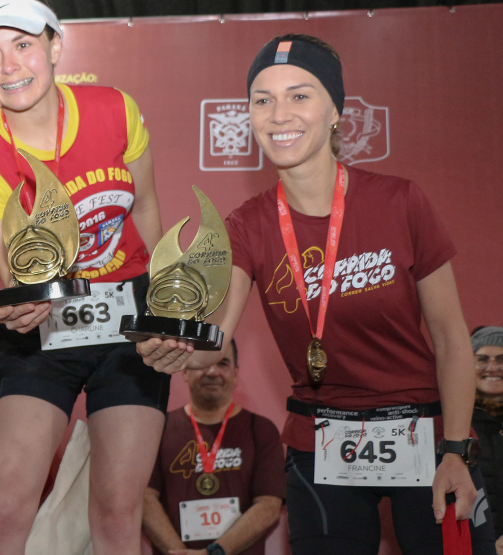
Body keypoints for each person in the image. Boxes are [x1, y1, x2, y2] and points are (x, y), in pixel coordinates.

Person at [137, 34, 495, 554]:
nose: (279, 114)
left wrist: (457, 449)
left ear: (335, 112)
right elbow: (215, 338)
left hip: (427, 436)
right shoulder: (245, 225)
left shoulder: (400, 201)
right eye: (263, 100)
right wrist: (170, 346)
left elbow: (450, 336)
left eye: (300, 95)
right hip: (320, 441)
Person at [0, 1, 170, 552]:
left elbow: (145, 209)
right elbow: (18, 276)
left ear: (55, 47)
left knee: (118, 511)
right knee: (7, 507)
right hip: (45, 327)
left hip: (131, 319)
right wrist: (17, 306)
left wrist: (166, 295)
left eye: (23, 45)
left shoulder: (116, 110)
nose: (8, 66)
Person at [143, 339, 284, 555]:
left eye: (223, 363)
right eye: (202, 364)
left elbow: (269, 506)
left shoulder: (262, 430)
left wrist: (215, 552)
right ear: (184, 372)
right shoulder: (158, 428)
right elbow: (145, 499)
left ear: (235, 373)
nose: (212, 371)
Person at [470, 326, 503, 554]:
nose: (493, 367)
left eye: (502, 359)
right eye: (482, 359)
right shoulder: (449, 422)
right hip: (469, 541)